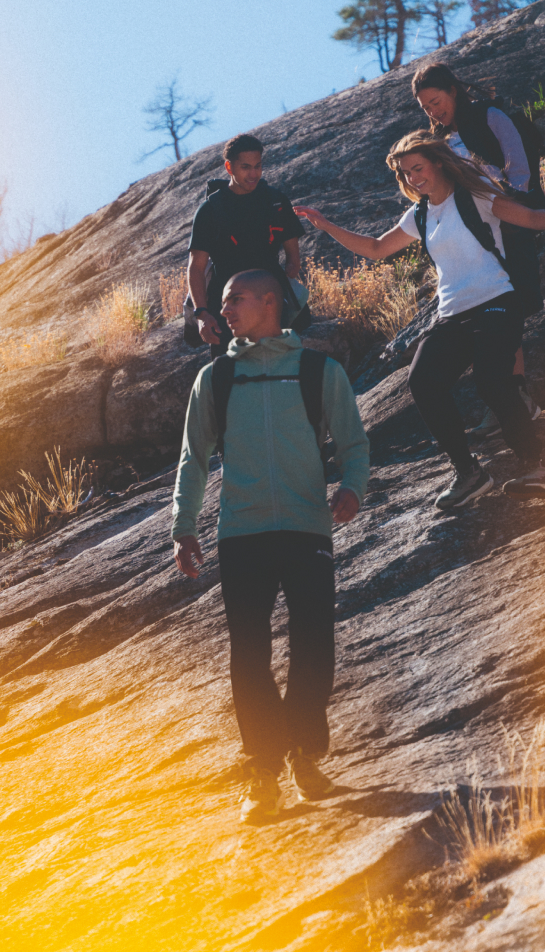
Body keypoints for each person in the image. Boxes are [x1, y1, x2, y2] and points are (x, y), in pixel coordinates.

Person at [294, 133, 545, 509]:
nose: (413, 178)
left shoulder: (476, 195)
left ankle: (536, 469)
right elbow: (374, 249)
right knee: (422, 382)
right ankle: (469, 473)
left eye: (418, 168)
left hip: (496, 301)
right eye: (406, 174)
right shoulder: (419, 215)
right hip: (452, 312)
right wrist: (326, 226)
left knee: (491, 380)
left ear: (437, 162)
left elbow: (530, 217)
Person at [171, 269, 370, 824]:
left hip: (308, 528)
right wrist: (183, 527)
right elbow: (194, 458)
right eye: (222, 300)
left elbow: (353, 442)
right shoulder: (216, 379)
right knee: (249, 655)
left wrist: (353, 487)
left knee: (314, 647)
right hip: (242, 534)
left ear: (269, 301)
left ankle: (305, 755)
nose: (223, 307)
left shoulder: (317, 372)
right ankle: (263, 772)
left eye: (234, 298)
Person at [412, 63, 545, 436]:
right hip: (477, 234)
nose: (433, 112)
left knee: (510, 307)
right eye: (426, 108)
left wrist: (504, 196)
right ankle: (512, 400)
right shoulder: (438, 140)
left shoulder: (490, 115)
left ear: (453, 90)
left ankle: (516, 398)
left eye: (436, 102)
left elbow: (519, 165)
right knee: (489, 318)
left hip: (510, 222)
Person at [185, 134, 307, 356]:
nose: (253, 174)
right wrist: (202, 314)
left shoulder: (277, 201)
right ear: (228, 167)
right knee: (230, 378)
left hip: (272, 304)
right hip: (227, 309)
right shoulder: (210, 210)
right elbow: (196, 267)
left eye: (258, 166)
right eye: (245, 167)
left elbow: (293, 261)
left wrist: (279, 295)